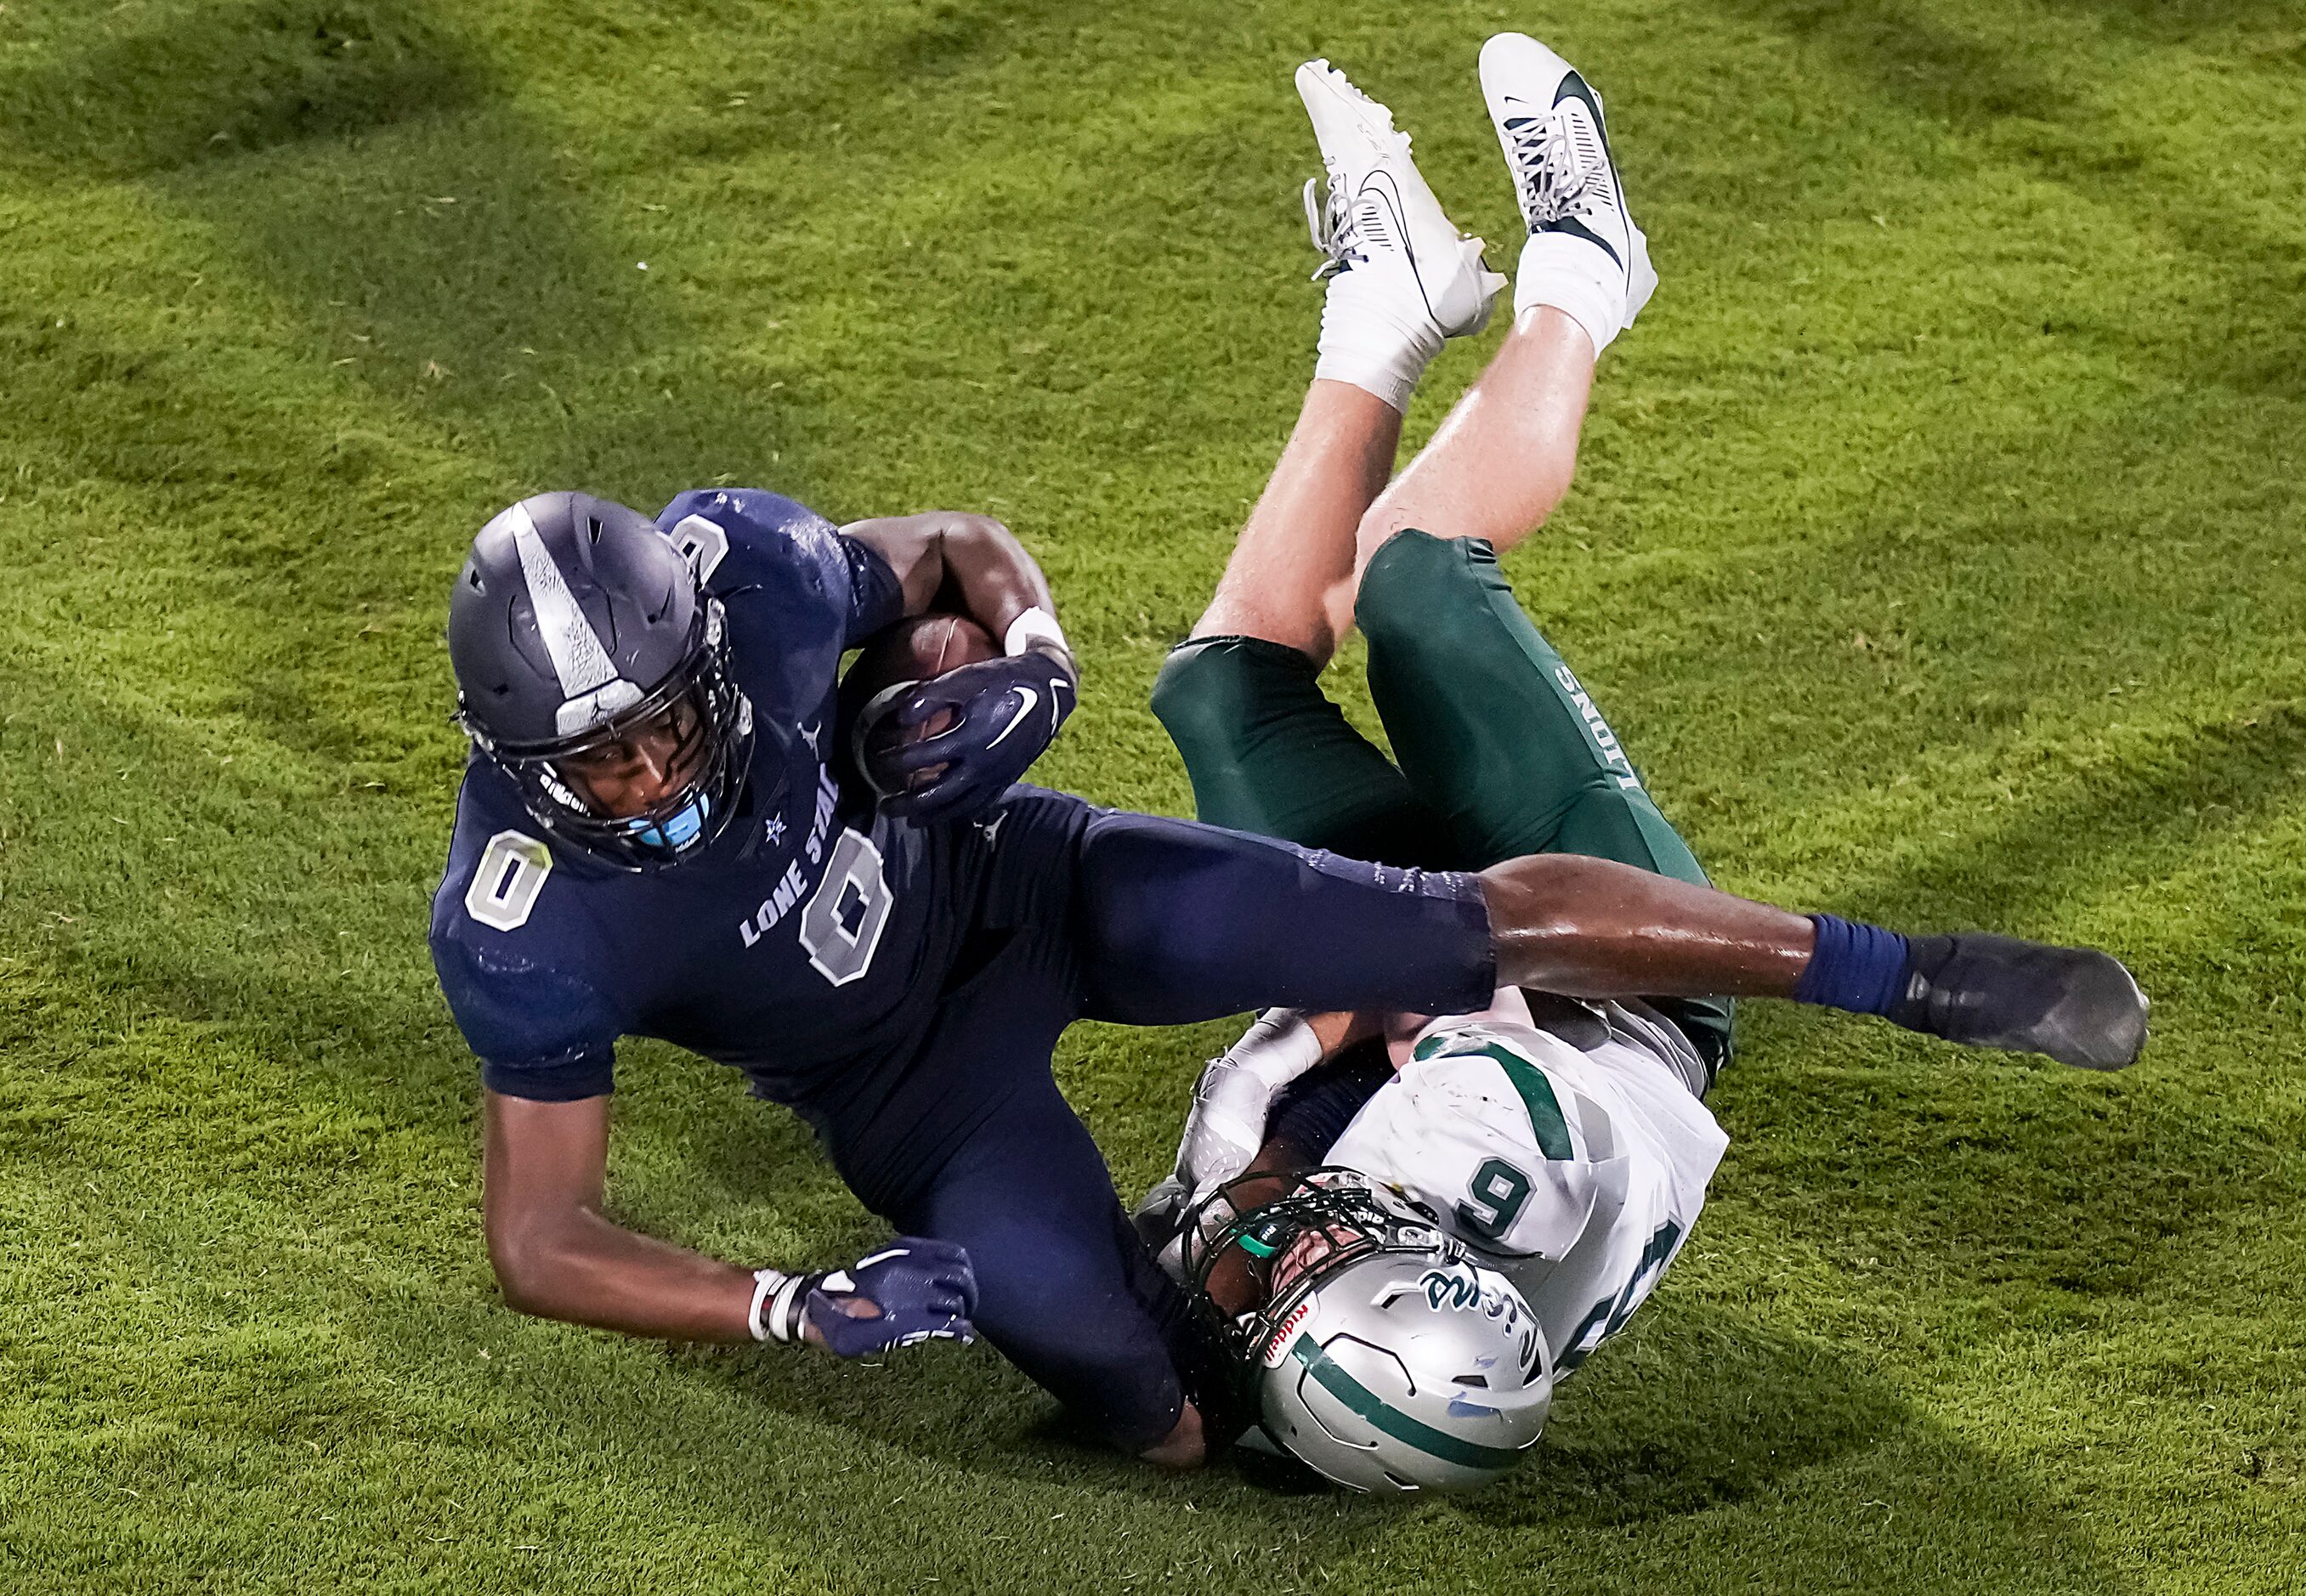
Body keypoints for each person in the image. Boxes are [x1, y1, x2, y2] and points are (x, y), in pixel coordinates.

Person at [427, 36, 2142, 1474]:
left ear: (696, 658)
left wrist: (1019, 662)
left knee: (1332, 760)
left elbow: (952, 550)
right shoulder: (525, 915)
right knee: (1158, 1412)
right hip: (929, 1084)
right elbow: (536, 1236)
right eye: (597, 765)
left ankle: (1899, 971)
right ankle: (1466, 306)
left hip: (1026, 888)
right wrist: (793, 1298)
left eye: (656, 731)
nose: (642, 779)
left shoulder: (736, 605)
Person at [1135, 37, 2150, 1487]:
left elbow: (1141, 1341)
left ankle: (1384, 315)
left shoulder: (1252, 1330)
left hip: (1437, 999)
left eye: (1272, 1281)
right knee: (1412, 581)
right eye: (1316, 1249)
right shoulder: (1489, 1170)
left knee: (1223, 693)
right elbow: (1487, 933)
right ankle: (1585, 276)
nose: (1274, 1242)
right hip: (1611, 975)